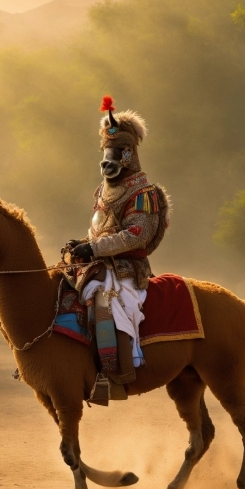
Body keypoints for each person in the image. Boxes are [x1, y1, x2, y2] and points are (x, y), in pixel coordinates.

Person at [67, 97, 170, 380]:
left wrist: (94, 247)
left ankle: (118, 371)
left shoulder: (143, 192)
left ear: (129, 154)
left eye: (118, 152)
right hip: (99, 264)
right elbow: (99, 227)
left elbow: (137, 234)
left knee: (106, 303)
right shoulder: (101, 190)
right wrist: (83, 244)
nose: (107, 159)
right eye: (106, 151)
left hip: (127, 270)